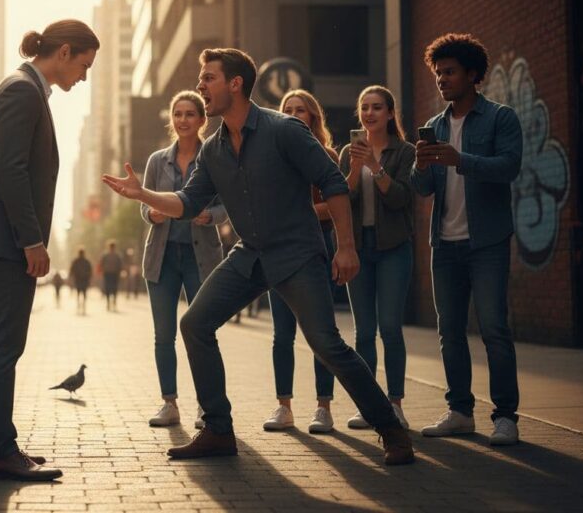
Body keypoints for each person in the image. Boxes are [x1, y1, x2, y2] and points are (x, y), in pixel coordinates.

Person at [102, 48, 414, 466]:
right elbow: (187, 201)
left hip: (298, 252)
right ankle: (217, 430)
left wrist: (345, 246)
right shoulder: (213, 149)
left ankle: (391, 429)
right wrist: (142, 194)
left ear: (235, 84)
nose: (200, 86)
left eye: (208, 78)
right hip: (250, 253)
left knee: (326, 343)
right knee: (195, 323)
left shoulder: (284, 129)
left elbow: (334, 184)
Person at [0, 19, 99, 481]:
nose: (83, 75)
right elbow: (12, 170)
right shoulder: (22, 91)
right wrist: (32, 240)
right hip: (6, 238)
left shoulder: (25, 88)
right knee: (3, 344)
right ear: (62, 52)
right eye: (83, 64)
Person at [411, 33, 523, 446]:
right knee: (450, 331)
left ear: (472, 75)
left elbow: (509, 167)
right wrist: (422, 165)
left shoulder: (500, 118)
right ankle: (460, 412)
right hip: (445, 243)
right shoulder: (436, 126)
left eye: (450, 72)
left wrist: (462, 160)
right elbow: (421, 189)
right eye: (438, 73)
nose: (442, 79)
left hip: (487, 241)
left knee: (494, 328)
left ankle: (506, 416)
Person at [141, 90, 226, 429]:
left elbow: (228, 205)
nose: (183, 120)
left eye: (191, 114)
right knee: (164, 335)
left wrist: (211, 217)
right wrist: (152, 214)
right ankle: (169, 403)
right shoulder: (156, 160)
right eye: (178, 114)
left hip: (201, 257)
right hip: (161, 258)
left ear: (202, 120)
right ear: (172, 119)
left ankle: (209, 408)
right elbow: (144, 204)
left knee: (203, 332)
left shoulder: (217, 157)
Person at [338, 86, 416, 432]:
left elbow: (401, 199)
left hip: (394, 249)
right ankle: (370, 406)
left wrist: (374, 165)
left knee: (389, 328)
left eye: (377, 107)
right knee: (364, 332)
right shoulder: (347, 152)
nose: (369, 113)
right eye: (364, 107)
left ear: (389, 113)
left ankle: (395, 404)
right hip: (359, 249)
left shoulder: (405, 152)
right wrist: (357, 167)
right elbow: (343, 198)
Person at [263, 90, 340, 434]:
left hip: (316, 247)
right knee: (282, 333)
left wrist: (299, 212)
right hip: (277, 248)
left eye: (301, 110)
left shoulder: (326, 155)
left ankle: (323, 407)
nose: (294, 115)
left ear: (313, 117)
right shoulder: (270, 156)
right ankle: (284, 407)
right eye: (288, 110)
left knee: (321, 333)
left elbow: (337, 205)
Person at [98, 240, 123, 311]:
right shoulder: (112, 255)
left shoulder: (113, 255)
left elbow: (120, 265)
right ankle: (110, 302)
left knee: (112, 288)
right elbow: (101, 264)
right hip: (109, 274)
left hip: (112, 274)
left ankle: (112, 302)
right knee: (109, 288)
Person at [69, 248, 93, 315]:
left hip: (82, 279)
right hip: (80, 279)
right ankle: (81, 304)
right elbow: (72, 270)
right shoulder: (83, 261)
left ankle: (81, 304)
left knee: (81, 293)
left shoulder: (80, 261)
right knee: (81, 293)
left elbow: (71, 270)